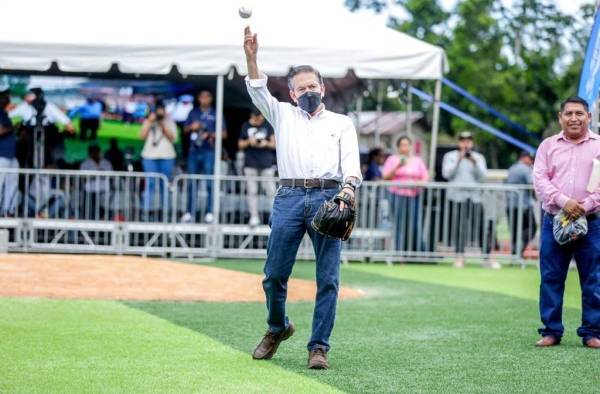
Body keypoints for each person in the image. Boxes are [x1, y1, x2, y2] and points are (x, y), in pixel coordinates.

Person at [244, 26, 362, 369]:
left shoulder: (342, 123)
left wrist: (348, 188)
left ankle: (319, 347)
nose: (307, 91)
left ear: (322, 89)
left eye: (313, 86)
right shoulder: (281, 114)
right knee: (274, 275)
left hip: (330, 195)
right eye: (301, 88)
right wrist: (251, 58)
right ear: (292, 94)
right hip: (290, 196)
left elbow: (351, 162)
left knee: (328, 279)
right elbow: (257, 89)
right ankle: (277, 328)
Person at [532, 96, 600, 349]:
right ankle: (551, 331)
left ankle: (592, 332)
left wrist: (586, 205)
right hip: (554, 221)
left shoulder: (599, 146)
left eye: (579, 113)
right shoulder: (548, 146)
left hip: (592, 222)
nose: (574, 118)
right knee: (551, 277)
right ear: (560, 117)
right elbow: (540, 179)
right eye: (569, 113)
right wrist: (564, 201)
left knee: (593, 278)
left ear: (589, 117)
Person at [441, 131, 499, 269]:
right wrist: (459, 160)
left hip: (475, 198)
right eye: (462, 140)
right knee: (459, 228)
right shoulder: (450, 156)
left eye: (468, 140)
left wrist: (474, 162)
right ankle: (459, 257)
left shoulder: (479, 157)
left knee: (481, 228)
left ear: (472, 142)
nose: (465, 143)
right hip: (457, 198)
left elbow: (483, 176)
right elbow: (446, 174)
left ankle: (486, 258)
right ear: (458, 142)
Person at [181, 90, 228, 224]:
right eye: (202, 97)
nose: (204, 99)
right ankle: (190, 212)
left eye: (207, 96)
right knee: (192, 182)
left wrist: (211, 135)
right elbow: (184, 130)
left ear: (211, 98)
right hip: (194, 150)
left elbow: (224, 134)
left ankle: (210, 212)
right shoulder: (193, 112)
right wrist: (192, 127)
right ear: (198, 98)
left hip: (209, 150)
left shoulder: (216, 113)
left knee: (209, 182)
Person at [382, 136, 428, 252]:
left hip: (414, 196)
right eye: (402, 145)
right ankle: (400, 253)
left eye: (407, 145)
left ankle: (418, 253)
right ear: (398, 147)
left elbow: (425, 177)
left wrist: (420, 182)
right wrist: (398, 166)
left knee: (415, 225)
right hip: (397, 196)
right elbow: (386, 176)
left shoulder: (417, 160)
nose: (405, 148)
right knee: (399, 225)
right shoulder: (392, 159)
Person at [9, 87, 75, 168]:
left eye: (30, 95)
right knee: (27, 157)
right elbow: (9, 115)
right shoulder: (24, 106)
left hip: (46, 140)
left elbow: (67, 122)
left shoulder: (49, 106)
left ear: (38, 96)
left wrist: (67, 131)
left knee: (48, 160)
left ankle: (46, 176)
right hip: (29, 141)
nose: (27, 97)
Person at [238, 107, 276, 226]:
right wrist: (250, 142)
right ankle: (253, 217)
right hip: (250, 163)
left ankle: (273, 216)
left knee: (270, 191)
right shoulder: (245, 126)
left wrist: (265, 143)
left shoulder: (268, 125)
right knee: (252, 192)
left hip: (266, 163)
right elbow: (240, 144)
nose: (258, 120)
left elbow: (274, 144)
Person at [140, 101, 177, 216]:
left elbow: (173, 138)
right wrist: (150, 121)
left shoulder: (170, 122)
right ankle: (145, 212)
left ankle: (165, 212)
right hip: (149, 156)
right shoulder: (148, 121)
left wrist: (162, 125)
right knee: (149, 184)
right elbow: (142, 136)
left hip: (167, 156)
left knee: (165, 184)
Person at [506, 150, 537, 257]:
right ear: (524, 158)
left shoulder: (512, 168)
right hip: (523, 205)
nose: (532, 162)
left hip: (510, 204)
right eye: (530, 159)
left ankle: (515, 253)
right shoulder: (526, 169)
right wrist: (535, 197)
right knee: (532, 228)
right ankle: (519, 249)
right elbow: (531, 183)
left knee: (514, 231)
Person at [80, 144, 113, 220]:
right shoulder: (85, 164)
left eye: (96, 151)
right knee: (91, 212)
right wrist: (96, 174)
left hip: (105, 191)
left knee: (105, 212)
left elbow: (111, 175)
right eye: (92, 151)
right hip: (90, 191)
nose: (94, 153)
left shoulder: (106, 163)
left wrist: (98, 174)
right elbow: (83, 177)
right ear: (89, 153)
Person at [0, 88, 18, 216]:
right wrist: (13, 128)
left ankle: (8, 210)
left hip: (10, 154)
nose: (8, 99)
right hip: (2, 155)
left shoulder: (4, 113)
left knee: (12, 182)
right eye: (5, 97)